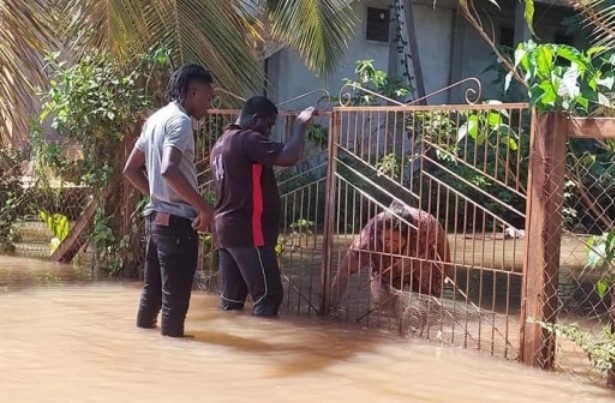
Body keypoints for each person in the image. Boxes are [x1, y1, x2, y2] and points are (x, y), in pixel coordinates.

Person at [123, 64, 214, 337]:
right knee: (175, 304)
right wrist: (204, 208)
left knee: (152, 297)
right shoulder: (181, 122)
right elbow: (169, 169)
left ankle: (148, 353)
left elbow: (130, 169)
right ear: (193, 93)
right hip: (176, 226)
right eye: (208, 98)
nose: (209, 106)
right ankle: (173, 357)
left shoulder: (155, 119)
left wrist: (158, 196)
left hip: (157, 222)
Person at [209, 96, 316, 317]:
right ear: (255, 119)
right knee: (269, 295)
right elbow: (288, 156)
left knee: (231, 301)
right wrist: (299, 125)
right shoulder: (246, 139)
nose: (268, 132)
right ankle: (261, 349)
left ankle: (231, 346)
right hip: (248, 230)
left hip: (226, 231)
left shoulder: (221, 142)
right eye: (268, 126)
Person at [327, 200, 451, 315]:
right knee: (385, 305)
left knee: (430, 307)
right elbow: (344, 270)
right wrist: (330, 306)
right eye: (387, 239)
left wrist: (446, 267)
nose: (391, 244)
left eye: (396, 241)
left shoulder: (425, 225)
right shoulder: (370, 237)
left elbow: (442, 239)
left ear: (407, 236)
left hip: (420, 262)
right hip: (385, 268)